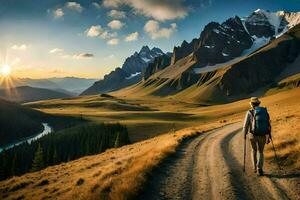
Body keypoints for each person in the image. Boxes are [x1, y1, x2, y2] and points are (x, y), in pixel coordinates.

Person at [243, 97, 271, 176]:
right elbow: (268, 123)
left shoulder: (249, 112)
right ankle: (260, 168)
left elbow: (245, 126)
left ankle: (255, 167)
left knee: (254, 150)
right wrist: (269, 134)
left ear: (251, 104)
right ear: (259, 103)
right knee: (261, 152)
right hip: (262, 135)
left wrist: (244, 135)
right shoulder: (264, 111)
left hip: (252, 135)